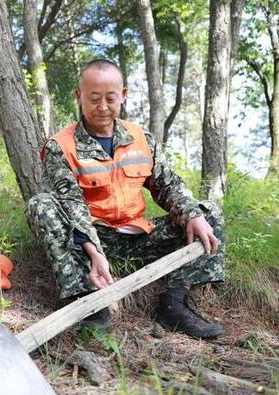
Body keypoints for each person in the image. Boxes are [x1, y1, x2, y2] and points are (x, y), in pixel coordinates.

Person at [27, 58, 225, 339]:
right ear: (78, 96)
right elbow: (70, 205)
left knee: (208, 213)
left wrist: (193, 216)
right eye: (94, 98)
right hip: (91, 243)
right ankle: (89, 302)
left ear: (123, 95)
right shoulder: (61, 146)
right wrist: (94, 253)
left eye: (110, 98)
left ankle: (174, 304)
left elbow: (168, 185)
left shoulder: (140, 137)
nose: (103, 107)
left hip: (137, 237)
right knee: (41, 206)